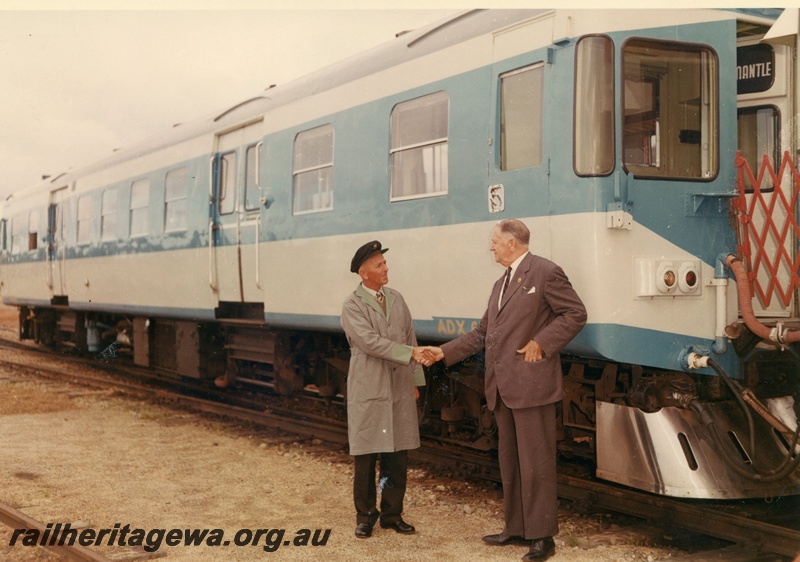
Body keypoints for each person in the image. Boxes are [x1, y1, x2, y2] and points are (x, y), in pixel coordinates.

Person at [424, 219, 586, 561]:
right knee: (510, 461)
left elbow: (575, 313)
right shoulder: (501, 284)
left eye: (495, 242)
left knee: (536, 463)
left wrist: (542, 342)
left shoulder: (545, 272)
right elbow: (483, 334)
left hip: (532, 383)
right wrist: (443, 352)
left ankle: (543, 538)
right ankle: (516, 528)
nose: (491, 248)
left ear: (513, 243)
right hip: (503, 386)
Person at [341, 240, 431, 539]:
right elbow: (368, 342)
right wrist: (409, 355)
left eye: (385, 263)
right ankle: (365, 516)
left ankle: (392, 515)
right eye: (379, 265)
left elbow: (410, 337)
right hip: (369, 384)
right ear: (364, 273)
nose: (385, 268)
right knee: (366, 453)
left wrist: (416, 382)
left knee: (398, 452)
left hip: (399, 384)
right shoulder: (352, 305)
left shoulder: (397, 298)